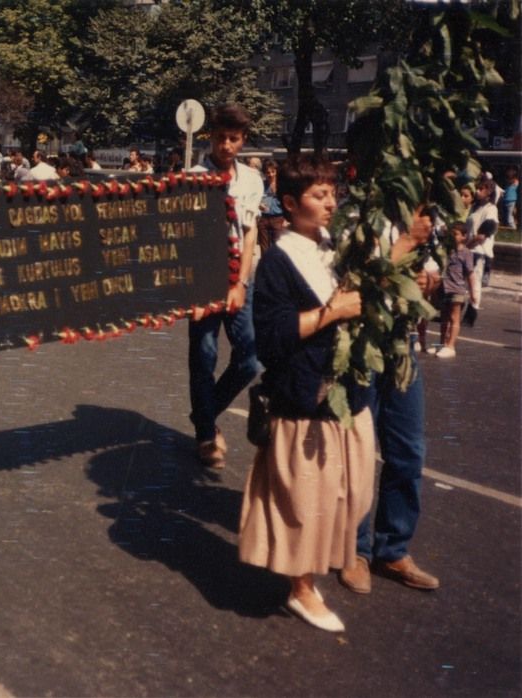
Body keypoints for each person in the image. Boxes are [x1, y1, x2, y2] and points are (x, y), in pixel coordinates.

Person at [239, 154, 374, 633]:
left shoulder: (336, 248)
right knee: (307, 503)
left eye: (332, 193)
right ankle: (301, 588)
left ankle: (312, 576)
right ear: (292, 204)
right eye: (319, 196)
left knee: (348, 496)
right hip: (304, 399)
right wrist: (330, 314)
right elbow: (272, 339)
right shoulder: (278, 262)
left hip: (347, 395)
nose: (330, 202)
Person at [339, 209, 442, 595]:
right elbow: (354, 283)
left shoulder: (425, 217)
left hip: (402, 346)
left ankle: (393, 548)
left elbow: (432, 275)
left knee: (409, 451)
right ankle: (356, 550)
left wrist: (425, 281)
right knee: (360, 453)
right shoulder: (358, 216)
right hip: (363, 346)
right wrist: (404, 246)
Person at [187, 104, 263, 467]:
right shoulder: (193, 176)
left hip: (237, 278)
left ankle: (205, 414)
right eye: (220, 138)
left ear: (242, 141)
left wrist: (242, 283)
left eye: (233, 139)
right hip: (203, 279)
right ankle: (205, 435)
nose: (226, 146)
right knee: (204, 356)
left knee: (250, 359)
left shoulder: (252, 179)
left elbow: (249, 236)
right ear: (211, 137)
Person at [432, 222, 475, 358]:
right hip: (444, 288)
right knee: (444, 317)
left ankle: (451, 346)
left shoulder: (466, 253)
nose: (453, 236)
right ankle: (441, 344)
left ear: (464, 236)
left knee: (454, 317)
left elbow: (470, 274)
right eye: (452, 234)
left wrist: (473, 292)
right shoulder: (448, 250)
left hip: (457, 289)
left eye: (456, 234)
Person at [465, 178, 499, 308]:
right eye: (477, 188)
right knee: (463, 282)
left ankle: (472, 310)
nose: (477, 191)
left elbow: (483, 235)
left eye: (481, 189)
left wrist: (466, 246)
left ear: (489, 192)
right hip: (469, 249)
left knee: (475, 282)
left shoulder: (491, 209)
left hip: (478, 251)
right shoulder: (474, 208)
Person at [258, 158, 285, 252]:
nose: (270, 174)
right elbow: (256, 199)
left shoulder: (281, 185)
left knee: (277, 246)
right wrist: (259, 204)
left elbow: (286, 203)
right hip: (263, 219)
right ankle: (265, 266)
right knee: (264, 247)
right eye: (268, 172)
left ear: (277, 171)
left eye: (273, 172)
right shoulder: (261, 185)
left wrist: (286, 219)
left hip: (278, 219)